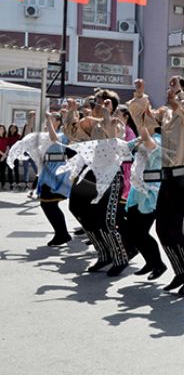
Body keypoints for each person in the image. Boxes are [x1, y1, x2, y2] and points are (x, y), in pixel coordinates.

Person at [128, 76, 184, 296]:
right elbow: (144, 121)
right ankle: (181, 271)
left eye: (175, 89)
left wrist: (180, 91)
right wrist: (140, 95)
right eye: (171, 89)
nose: (170, 92)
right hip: (168, 178)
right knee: (163, 228)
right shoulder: (167, 113)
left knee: (181, 229)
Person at [63, 89, 131, 276]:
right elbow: (71, 133)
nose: (97, 104)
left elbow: (112, 140)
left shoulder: (116, 122)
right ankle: (103, 253)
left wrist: (107, 115)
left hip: (109, 175)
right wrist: (72, 111)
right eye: (96, 101)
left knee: (106, 219)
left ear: (111, 105)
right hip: (89, 174)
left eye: (102, 101)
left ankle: (120, 257)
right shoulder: (88, 121)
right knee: (77, 208)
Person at [125, 79, 167, 281]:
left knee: (140, 231)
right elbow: (125, 147)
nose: (147, 117)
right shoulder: (142, 138)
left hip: (152, 193)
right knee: (133, 231)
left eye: (151, 116)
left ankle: (158, 264)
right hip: (137, 190)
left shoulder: (158, 140)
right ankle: (150, 261)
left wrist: (141, 100)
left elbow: (149, 143)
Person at [39, 112, 74, 246]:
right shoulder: (46, 135)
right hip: (48, 170)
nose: (48, 121)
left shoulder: (62, 135)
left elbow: (54, 139)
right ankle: (61, 233)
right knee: (48, 204)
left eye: (53, 119)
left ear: (58, 122)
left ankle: (62, 234)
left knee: (49, 203)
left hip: (57, 171)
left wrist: (48, 119)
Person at [6, 124, 21, 190]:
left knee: (16, 170)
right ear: (9, 128)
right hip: (9, 155)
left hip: (16, 155)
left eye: (14, 128)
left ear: (16, 129)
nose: (13, 129)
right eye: (11, 128)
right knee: (9, 170)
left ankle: (17, 183)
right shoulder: (7, 136)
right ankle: (11, 184)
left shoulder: (18, 136)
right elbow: (6, 145)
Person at [0, 125, 8, 190]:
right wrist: (3, 155)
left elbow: (7, 147)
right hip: (1, 155)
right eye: (0, 129)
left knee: (3, 172)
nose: (2, 130)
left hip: (4, 156)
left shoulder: (6, 138)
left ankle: (3, 185)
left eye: (3, 129)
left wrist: (4, 155)